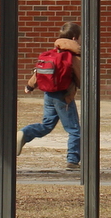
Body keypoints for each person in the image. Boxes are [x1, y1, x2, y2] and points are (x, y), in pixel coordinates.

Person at [17, 21, 82, 170]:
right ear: (74, 39)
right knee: (74, 130)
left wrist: (29, 86)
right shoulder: (72, 56)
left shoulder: (52, 52)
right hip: (64, 96)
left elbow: (38, 72)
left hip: (48, 94)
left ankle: (24, 133)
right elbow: (80, 78)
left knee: (46, 125)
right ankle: (72, 160)